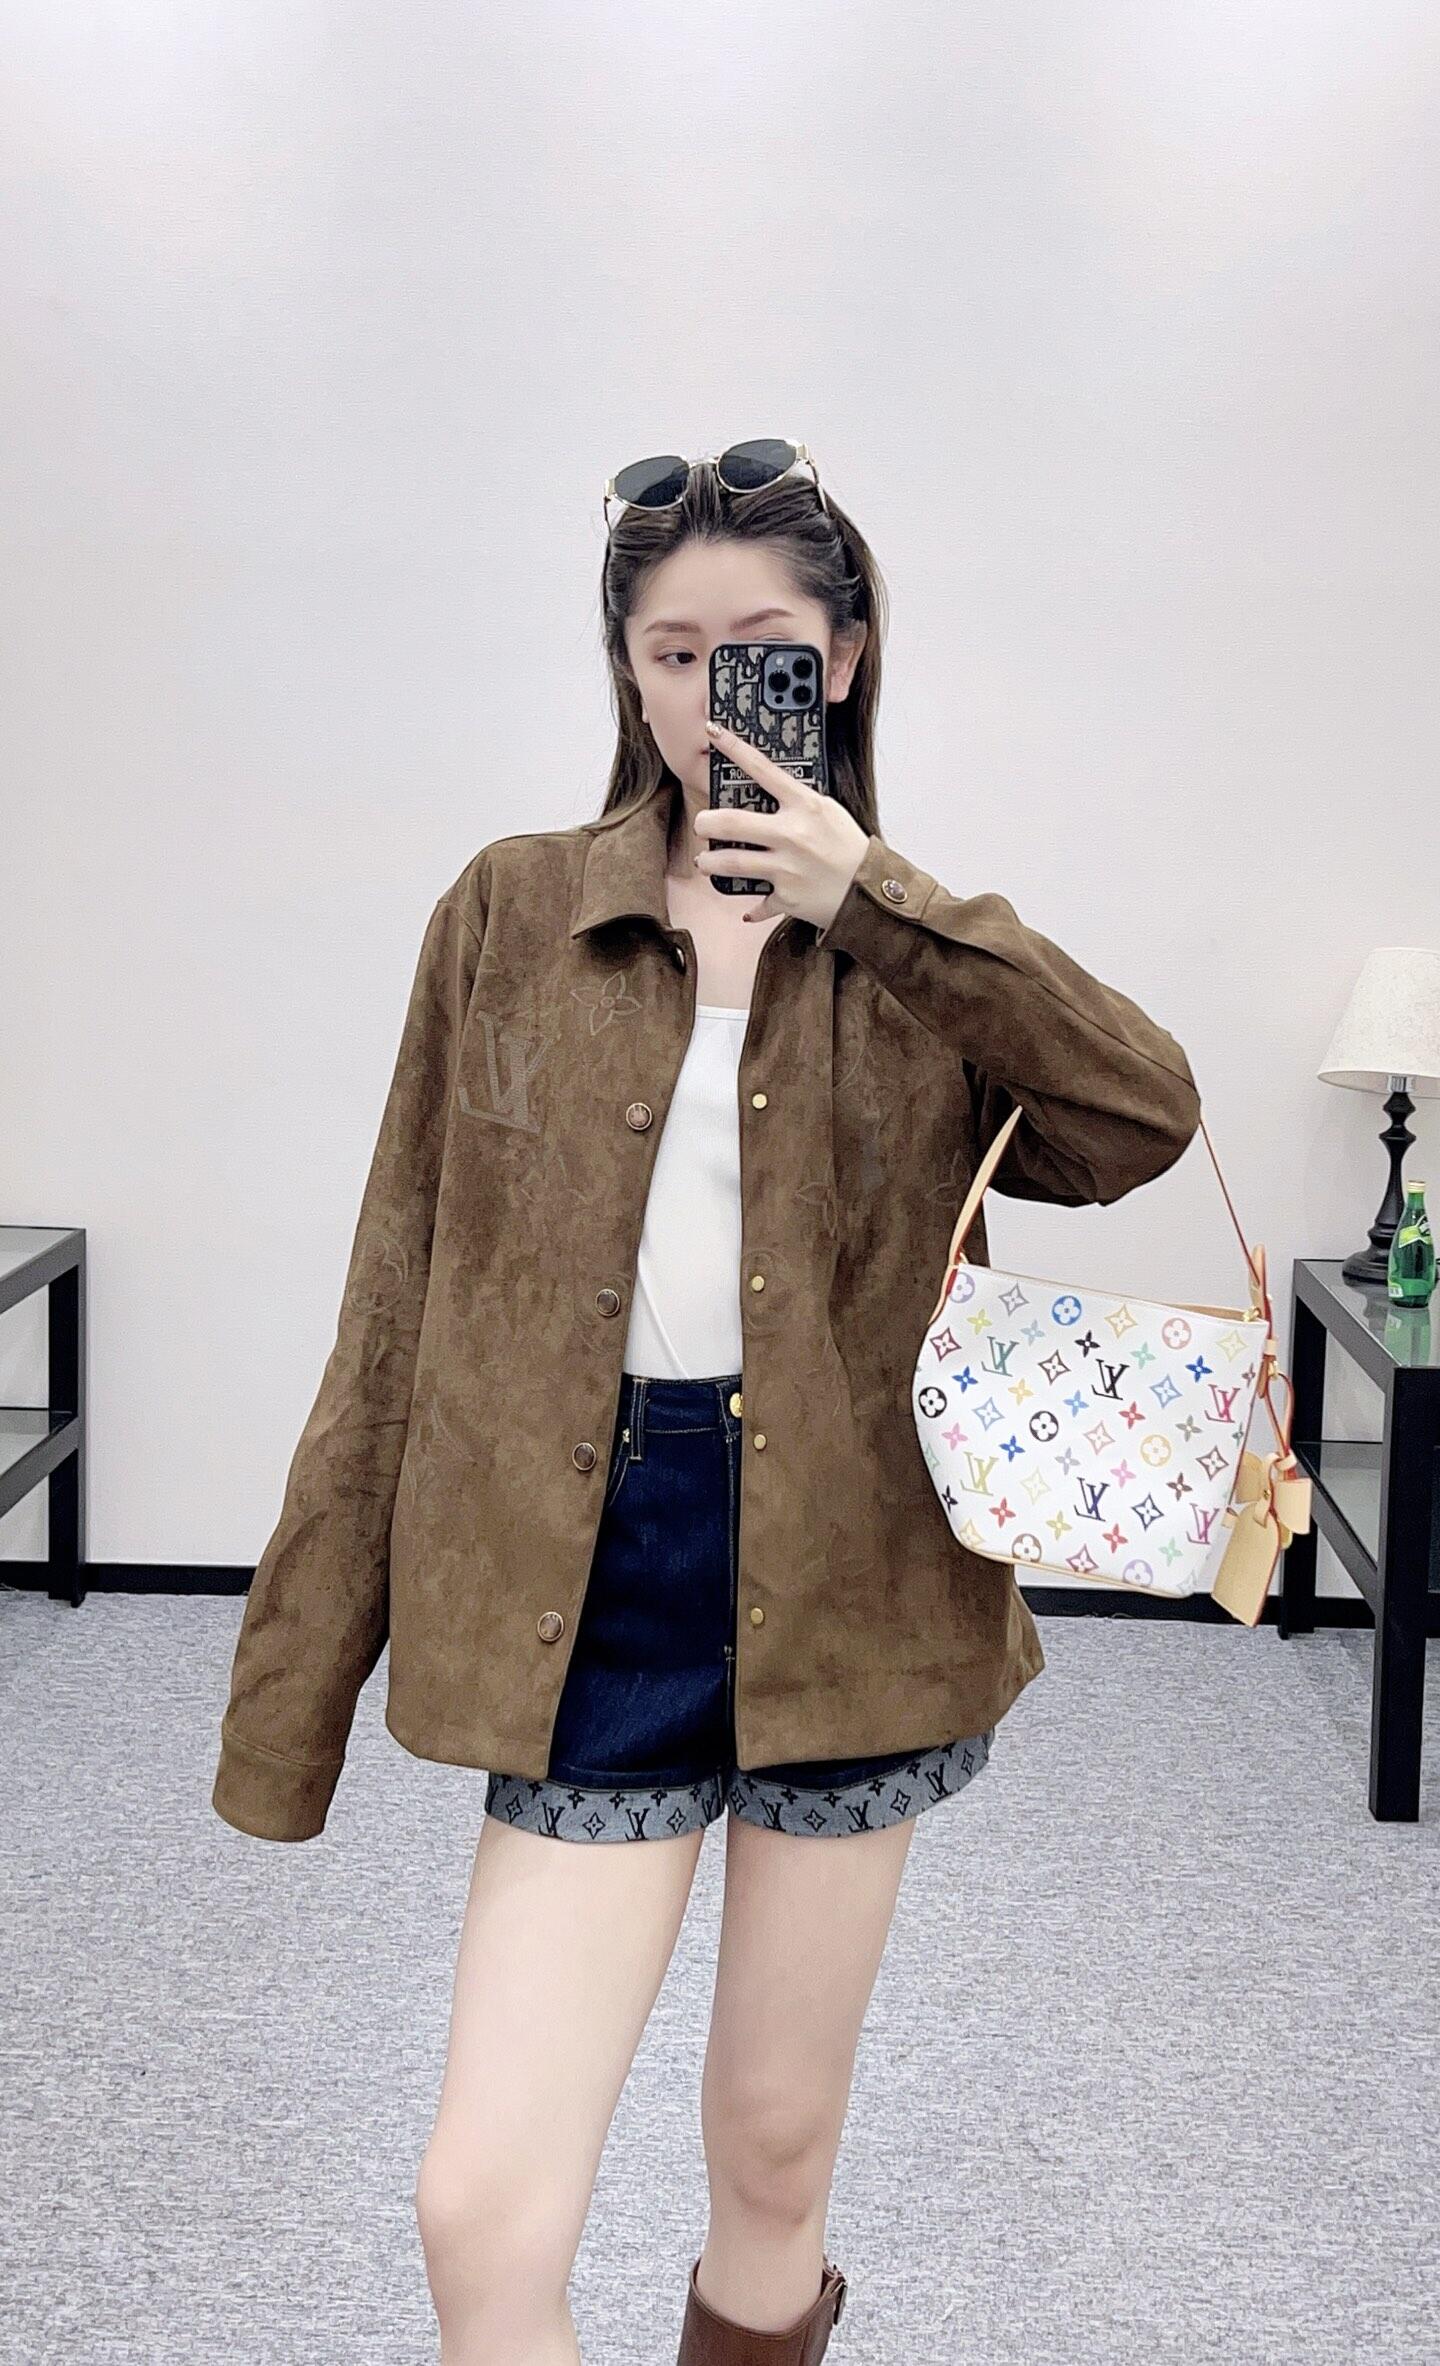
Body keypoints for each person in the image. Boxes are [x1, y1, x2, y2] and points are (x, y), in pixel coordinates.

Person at [213, 440, 1203, 2365]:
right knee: (479, 2205)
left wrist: (877, 899)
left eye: (758, 648)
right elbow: (394, 1305)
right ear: (628, 672)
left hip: (852, 1578)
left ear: (841, 660)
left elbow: (1141, 1116)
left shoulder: (918, 955)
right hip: (589, 1578)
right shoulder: (509, 914)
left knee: (771, 2143)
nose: (708, 692)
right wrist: (292, 1695)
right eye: (671, 652)